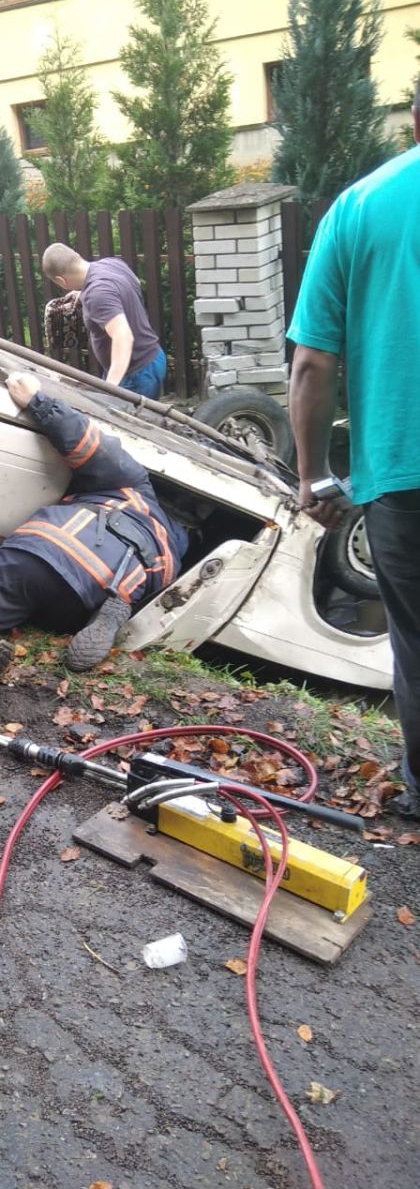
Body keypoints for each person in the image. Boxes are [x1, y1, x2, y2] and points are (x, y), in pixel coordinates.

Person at [287, 81, 420, 821]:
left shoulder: (361, 207)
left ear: (414, 118)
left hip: (405, 475)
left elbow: (312, 365)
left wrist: (313, 475)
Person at [0, 371, 188, 715]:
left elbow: (90, 445)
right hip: (90, 598)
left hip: (51, 550)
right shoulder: (171, 559)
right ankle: (106, 612)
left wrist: (37, 400)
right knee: (85, 596)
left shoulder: (134, 487)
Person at [41, 243, 166, 401]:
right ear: (76, 256)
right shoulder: (112, 264)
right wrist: (84, 292)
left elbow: (124, 337)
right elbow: (132, 285)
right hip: (149, 358)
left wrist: (110, 389)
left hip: (136, 373)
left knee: (126, 424)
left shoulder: (97, 294)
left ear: (61, 281)